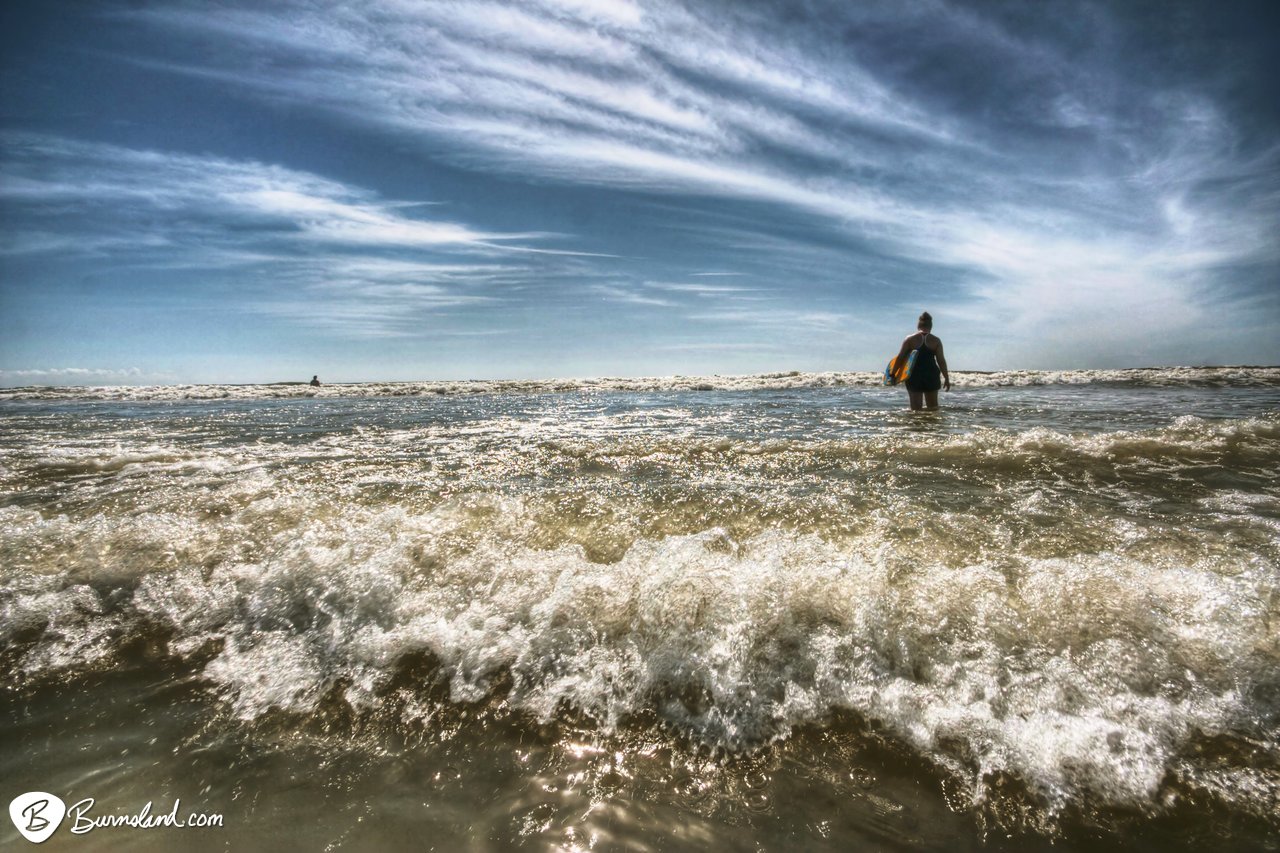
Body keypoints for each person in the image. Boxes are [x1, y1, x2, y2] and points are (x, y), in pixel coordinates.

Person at [892, 312, 950, 410]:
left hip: (914, 376)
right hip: (931, 375)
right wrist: (946, 378)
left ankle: (916, 425)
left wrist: (892, 374)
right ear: (931, 326)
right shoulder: (936, 340)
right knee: (933, 409)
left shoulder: (909, 339)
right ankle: (932, 425)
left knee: (915, 410)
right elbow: (941, 361)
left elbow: (900, 358)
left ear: (918, 325)